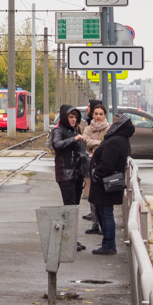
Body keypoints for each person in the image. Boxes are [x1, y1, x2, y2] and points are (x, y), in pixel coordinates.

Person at [88, 113, 135, 255]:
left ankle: (109, 244)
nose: (112, 125)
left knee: (105, 212)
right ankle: (108, 243)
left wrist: (97, 173)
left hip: (104, 183)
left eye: (115, 123)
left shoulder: (115, 141)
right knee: (102, 211)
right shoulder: (121, 139)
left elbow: (107, 163)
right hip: (107, 182)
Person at [50, 105, 88, 251]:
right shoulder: (58, 130)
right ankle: (68, 240)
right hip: (65, 174)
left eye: (75, 117)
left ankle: (72, 239)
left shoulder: (74, 130)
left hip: (76, 174)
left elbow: (77, 150)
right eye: (71, 117)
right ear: (65, 117)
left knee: (75, 207)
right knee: (70, 207)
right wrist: (74, 139)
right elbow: (57, 145)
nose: (73, 120)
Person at [82, 102, 110, 229]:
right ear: (92, 115)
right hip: (90, 165)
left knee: (102, 196)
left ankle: (102, 223)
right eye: (96, 114)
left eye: (101, 114)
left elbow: (107, 144)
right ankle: (94, 223)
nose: (98, 116)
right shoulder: (88, 128)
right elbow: (84, 142)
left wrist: (93, 144)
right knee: (92, 195)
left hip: (103, 166)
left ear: (105, 115)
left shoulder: (108, 129)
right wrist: (99, 143)